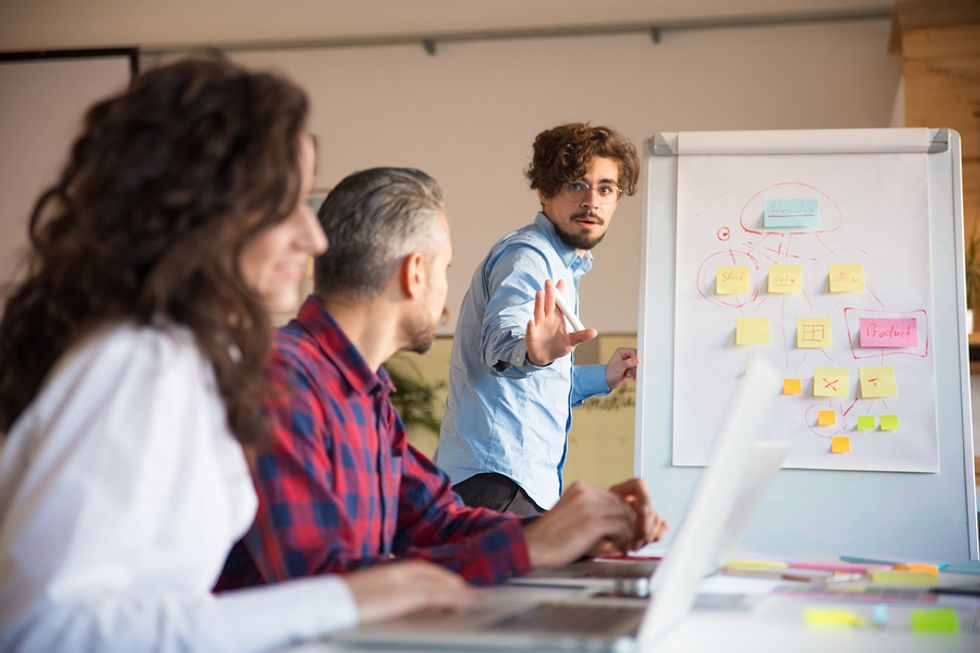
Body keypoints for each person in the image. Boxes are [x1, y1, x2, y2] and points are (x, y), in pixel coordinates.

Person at [0, 57, 471, 653]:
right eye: (288, 204)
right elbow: (40, 631)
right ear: (206, 210)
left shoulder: (192, 360)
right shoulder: (139, 364)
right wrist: (346, 600)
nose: (315, 237)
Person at [217, 167, 666, 591]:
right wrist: (533, 544)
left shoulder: (364, 396)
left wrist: (573, 529)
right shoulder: (283, 378)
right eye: (445, 269)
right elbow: (321, 584)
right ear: (415, 274)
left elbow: (437, 521)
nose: (447, 295)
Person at [434, 122, 643, 516]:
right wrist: (533, 355)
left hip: (504, 483)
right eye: (576, 185)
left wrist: (605, 377)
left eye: (605, 188)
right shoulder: (529, 259)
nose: (592, 201)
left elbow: (539, 384)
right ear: (545, 191)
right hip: (496, 485)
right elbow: (504, 344)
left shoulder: (560, 264)